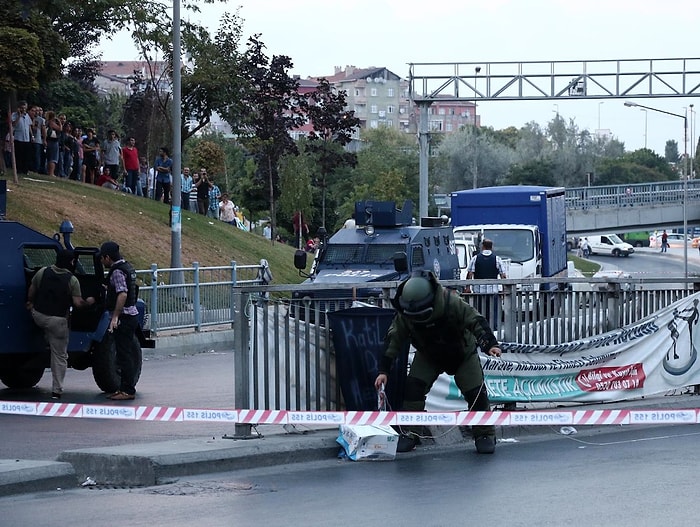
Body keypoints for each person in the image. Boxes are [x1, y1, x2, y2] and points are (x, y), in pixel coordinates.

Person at [373, 271, 501, 454]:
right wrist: (383, 370)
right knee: (413, 389)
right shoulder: (405, 313)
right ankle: (410, 432)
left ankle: (485, 434)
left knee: (476, 393)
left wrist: (490, 344)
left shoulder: (452, 302)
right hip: (428, 355)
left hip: (462, 354)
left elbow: (475, 321)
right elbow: (393, 339)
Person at [26, 249, 95, 398]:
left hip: (38, 316)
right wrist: (89, 302)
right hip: (57, 322)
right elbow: (78, 303)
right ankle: (56, 390)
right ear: (71, 262)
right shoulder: (72, 280)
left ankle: (45, 340)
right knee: (59, 356)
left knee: (46, 328)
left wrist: (31, 304)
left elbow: (32, 289)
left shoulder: (43, 271)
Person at [100, 241, 141, 400]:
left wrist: (115, 316)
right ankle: (124, 388)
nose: (102, 262)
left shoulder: (117, 271)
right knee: (126, 352)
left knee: (124, 354)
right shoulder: (127, 267)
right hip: (131, 315)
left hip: (124, 316)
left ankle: (128, 390)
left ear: (107, 257)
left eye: (102, 258)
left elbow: (122, 294)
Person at [466, 238, 507, 330]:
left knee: (480, 315)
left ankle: (481, 333)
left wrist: (468, 287)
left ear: (482, 246)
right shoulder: (497, 259)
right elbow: (503, 276)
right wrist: (504, 290)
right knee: (493, 316)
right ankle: (494, 333)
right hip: (493, 292)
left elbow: (469, 274)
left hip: (479, 293)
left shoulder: (475, 258)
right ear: (491, 247)